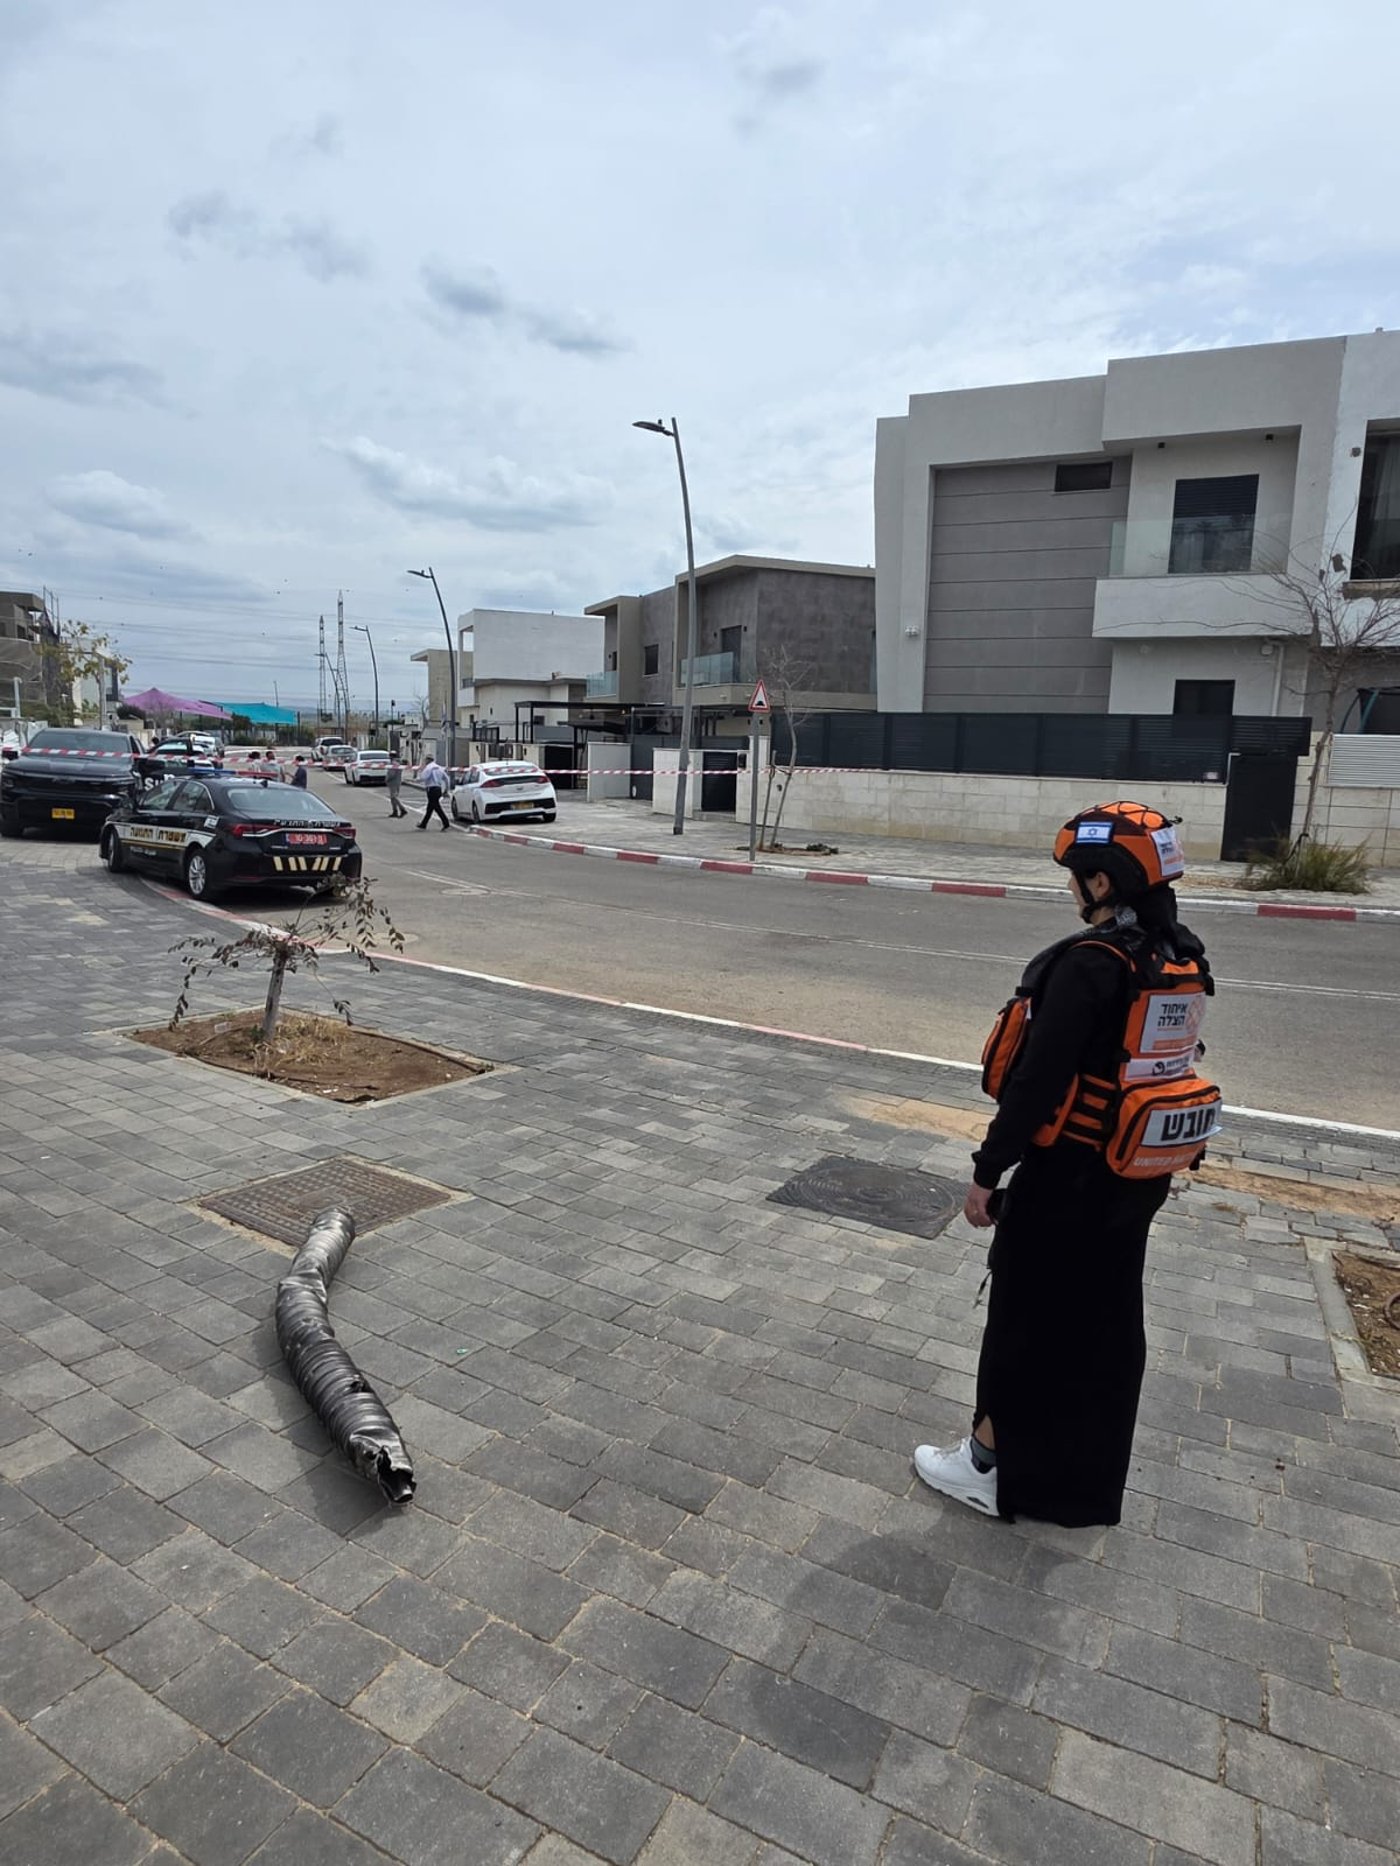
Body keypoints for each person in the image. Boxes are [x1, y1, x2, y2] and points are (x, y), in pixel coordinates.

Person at [914, 801, 1220, 1529]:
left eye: (1078, 878)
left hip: (1068, 1178)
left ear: (1105, 884)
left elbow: (1036, 1085)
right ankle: (1079, 1484)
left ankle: (986, 1469)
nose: (1072, 892)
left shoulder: (1091, 966)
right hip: (1137, 1181)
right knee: (1103, 1328)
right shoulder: (1180, 956)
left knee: (1028, 1321)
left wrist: (988, 1173)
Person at [417, 755, 451, 831]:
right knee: (430, 808)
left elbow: (423, 777)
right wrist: (446, 790)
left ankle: (446, 823)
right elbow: (447, 779)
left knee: (436, 807)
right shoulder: (439, 768)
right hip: (438, 788)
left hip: (431, 789)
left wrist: (418, 778)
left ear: (428, 760)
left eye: (425, 760)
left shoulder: (428, 768)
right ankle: (423, 824)